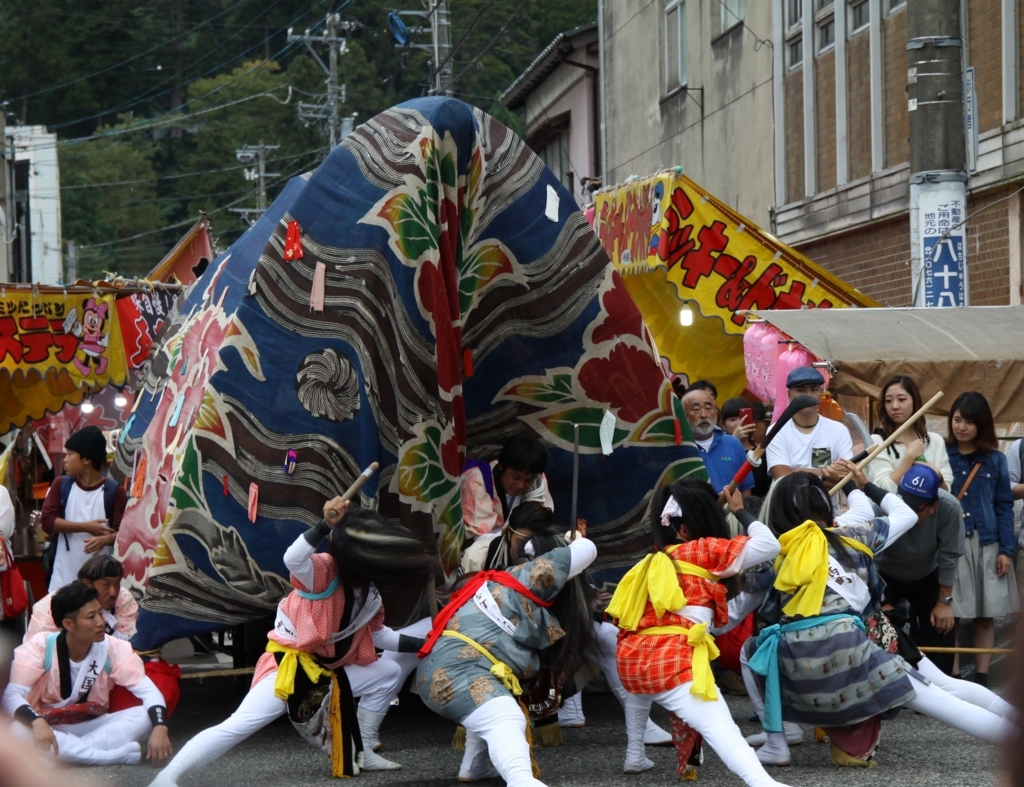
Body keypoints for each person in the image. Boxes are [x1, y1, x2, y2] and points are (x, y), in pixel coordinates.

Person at [149, 497, 436, 786]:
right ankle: (167, 777)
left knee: (388, 672)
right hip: (288, 670)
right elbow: (293, 558)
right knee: (237, 726)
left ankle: (362, 748)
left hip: (329, 670)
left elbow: (378, 635)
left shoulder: (370, 595)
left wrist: (425, 644)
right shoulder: (323, 572)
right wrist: (325, 524)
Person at [741, 467, 1014, 769]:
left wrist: (741, 514)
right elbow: (906, 516)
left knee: (751, 651)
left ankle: (779, 739)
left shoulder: (771, 551)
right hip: (855, 640)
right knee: (942, 698)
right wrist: (859, 483)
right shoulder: (854, 533)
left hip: (798, 658)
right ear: (824, 507)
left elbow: (737, 610)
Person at [609, 479, 792, 787]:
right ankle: (764, 783)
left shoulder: (649, 562)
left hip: (631, 662)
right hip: (673, 662)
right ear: (684, 529)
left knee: (642, 688)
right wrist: (740, 512)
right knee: (722, 727)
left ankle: (634, 755)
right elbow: (770, 545)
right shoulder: (705, 549)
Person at [416, 523, 598, 787]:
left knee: (491, 703)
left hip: (450, 668)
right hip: (456, 672)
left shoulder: (514, 582)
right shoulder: (533, 575)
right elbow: (588, 550)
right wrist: (576, 540)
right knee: (505, 716)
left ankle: (474, 767)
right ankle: (521, 781)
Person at [1, 581, 172, 767]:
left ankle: (64, 755)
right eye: (91, 617)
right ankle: (109, 756)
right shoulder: (40, 647)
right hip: (48, 725)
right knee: (17, 730)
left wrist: (160, 726)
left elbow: (147, 690)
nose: (101, 622)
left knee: (146, 716)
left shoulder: (111, 647)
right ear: (69, 624)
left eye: (100, 613)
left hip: (91, 725)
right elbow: (12, 695)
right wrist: (36, 722)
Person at [946, 391, 1020, 685]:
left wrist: (1006, 550)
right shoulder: (941, 455)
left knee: (986, 612)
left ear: (983, 425)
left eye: (969, 421)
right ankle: (951, 675)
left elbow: (1004, 505)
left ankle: (982, 677)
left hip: (988, 542)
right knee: (950, 612)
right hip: (952, 543)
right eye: (957, 419)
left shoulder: (995, 460)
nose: (961, 427)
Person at [874, 466, 963, 676]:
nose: (907, 513)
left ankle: (941, 687)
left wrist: (944, 603)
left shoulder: (949, 507)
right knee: (876, 623)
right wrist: (878, 599)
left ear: (934, 506)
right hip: (885, 574)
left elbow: (950, 555)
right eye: (904, 504)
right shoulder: (881, 505)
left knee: (942, 624)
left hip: (927, 574)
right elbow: (870, 556)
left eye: (917, 509)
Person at [39, 426, 127, 593]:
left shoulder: (115, 492)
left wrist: (105, 540)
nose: (65, 459)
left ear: (86, 459)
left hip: (100, 587)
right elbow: (47, 521)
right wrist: (86, 527)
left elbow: (124, 534)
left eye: (70, 454)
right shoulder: (61, 485)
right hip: (62, 580)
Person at [765, 367, 852, 485]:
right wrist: (828, 475)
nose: (808, 395)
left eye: (814, 389)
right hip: (787, 503)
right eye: (801, 390)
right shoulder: (776, 431)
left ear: (821, 393)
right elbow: (783, 480)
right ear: (789, 395)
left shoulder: (838, 430)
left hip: (826, 502)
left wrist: (798, 471)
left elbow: (847, 477)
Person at [867, 375, 953, 491]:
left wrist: (937, 474)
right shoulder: (877, 441)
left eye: (902, 399)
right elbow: (884, 489)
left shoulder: (935, 441)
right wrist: (909, 456)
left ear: (914, 401)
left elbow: (946, 492)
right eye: (888, 401)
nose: (894, 406)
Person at [26, 554, 138, 642]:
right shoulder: (49, 606)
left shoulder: (123, 598)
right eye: (106, 584)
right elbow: (36, 651)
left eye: (117, 583)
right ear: (87, 583)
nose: (113, 592)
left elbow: (131, 643)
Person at [460, 436, 553, 540]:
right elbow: (479, 538)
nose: (521, 485)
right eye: (515, 477)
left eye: (528, 480)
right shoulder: (475, 482)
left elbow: (542, 521)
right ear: (501, 465)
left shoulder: (536, 479)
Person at [682, 388, 753, 496]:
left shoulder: (733, 444)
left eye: (708, 408)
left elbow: (746, 489)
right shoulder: (678, 449)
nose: (703, 415)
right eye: (696, 409)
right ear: (683, 415)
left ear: (716, 412)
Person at [723, 398, 772, 498]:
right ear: (723, 425)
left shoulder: (763, 453)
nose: (739, 423)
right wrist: (734, 441)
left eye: (744, 418)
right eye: (732, 419)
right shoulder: (719, 453)